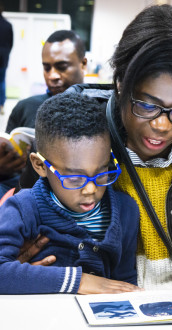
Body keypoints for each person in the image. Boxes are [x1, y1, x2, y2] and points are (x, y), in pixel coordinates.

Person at [17, 4, 172, 292]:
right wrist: (24, 263)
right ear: (121, 85)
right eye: (147, 105)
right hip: (96, 304)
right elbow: (23, 231)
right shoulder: (71, 134)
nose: (162, 125)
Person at [0, 91, 140, 294]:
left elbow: (125, 282)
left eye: (102, 173)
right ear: (40, 165)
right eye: (74, 178)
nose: (91, 189)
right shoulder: (23, 208)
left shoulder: (126, 210)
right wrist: (78, 281)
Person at [0, 29, 87, 198]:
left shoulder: (97, 107)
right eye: (47, 68)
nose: (52, 76)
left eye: (62, 67)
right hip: (23, 189)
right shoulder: (26, 106)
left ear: (83, 64)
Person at [0, 1, 13, 116]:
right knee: (2, 82)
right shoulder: (7, 25)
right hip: (3, 58)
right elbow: (10, 43)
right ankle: (1, 106)